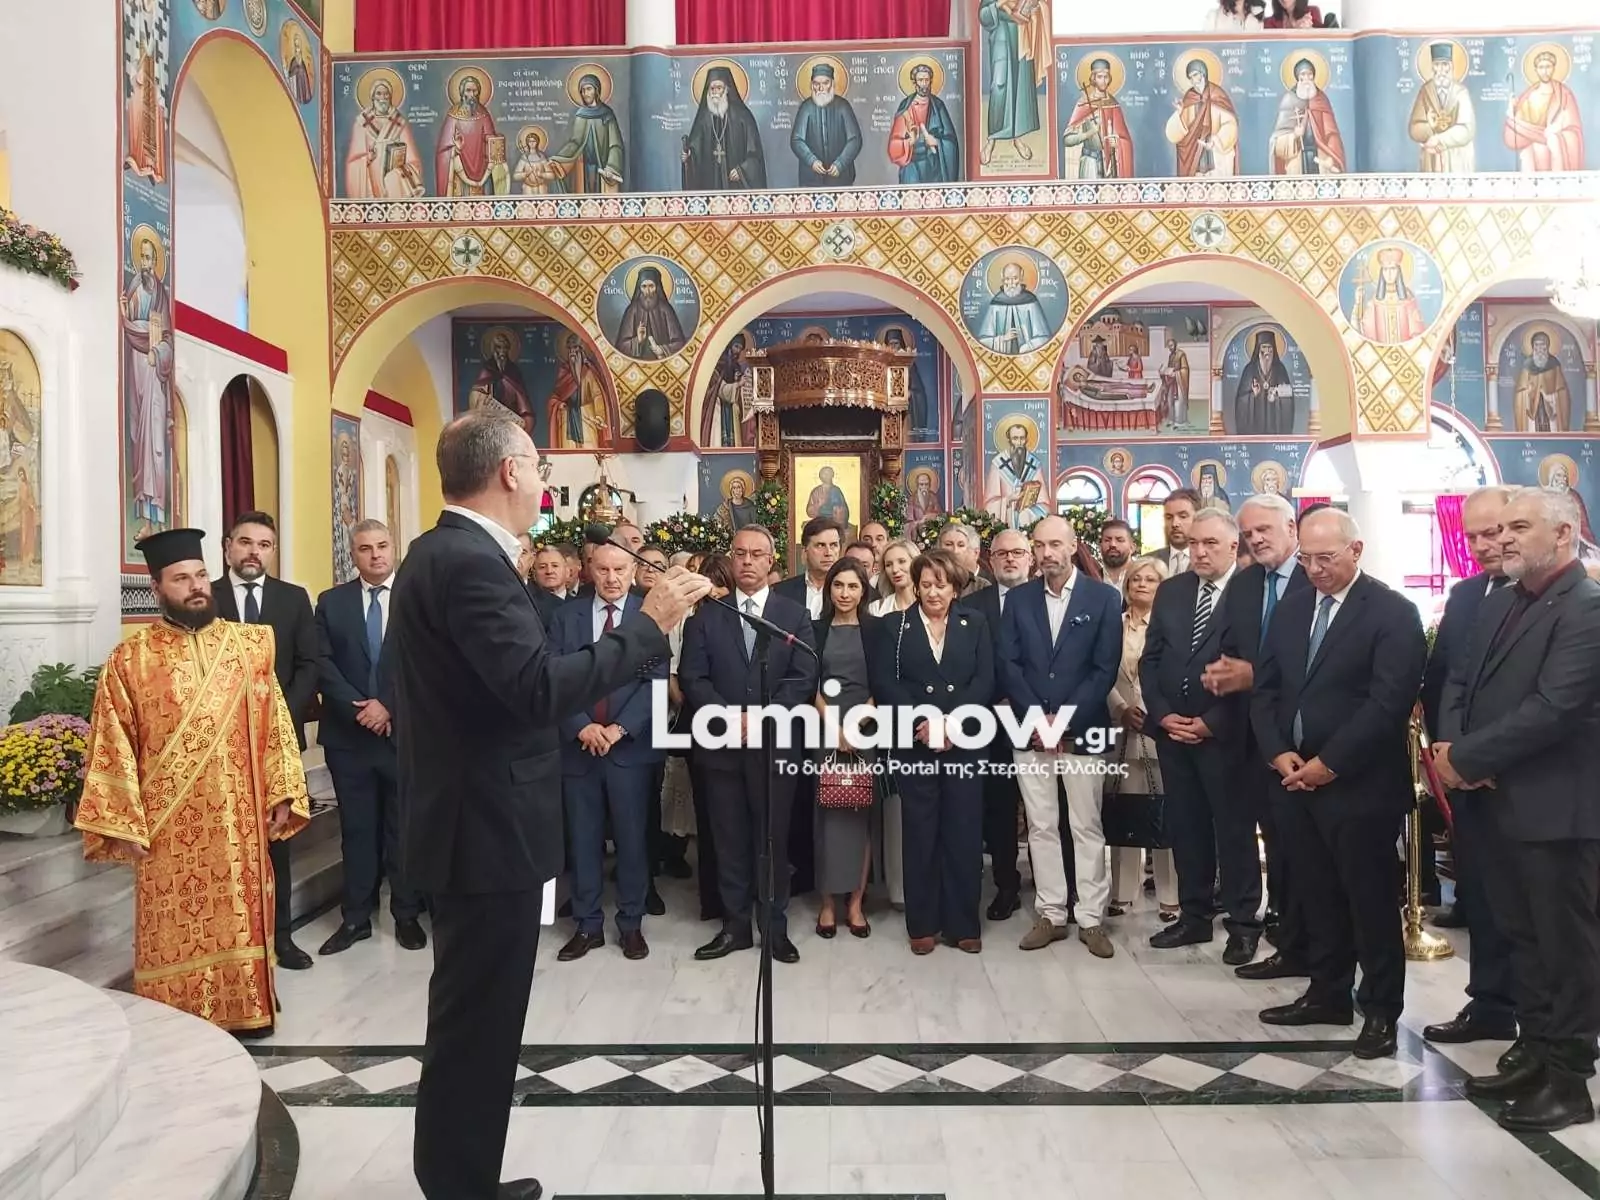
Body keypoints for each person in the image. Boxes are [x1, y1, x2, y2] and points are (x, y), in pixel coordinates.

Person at [394, 412, 708, 1200]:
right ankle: (460, 1189)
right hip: (482, 827)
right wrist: (649, 627)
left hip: (472, 818)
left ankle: (462, 1179)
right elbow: (536, 688)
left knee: (476, 1022)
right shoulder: (468, 564)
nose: (542, 480)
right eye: (536, 465)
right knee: (477, 1024)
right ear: (508, 471)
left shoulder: (442, 553)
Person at [74, 528, 309, 1033]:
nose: (196, 586)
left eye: (201, 575)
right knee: (171, 924)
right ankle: (173, 1018)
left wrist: (283, 789)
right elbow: (112, 743)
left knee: (240, 913)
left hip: (237, 820)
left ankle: (246, 1009)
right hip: (167, 829)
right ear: (157, 587)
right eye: (181, 579)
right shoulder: (130, 660)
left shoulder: (250, 646)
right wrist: (123, 821)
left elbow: (275, 723)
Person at [1436, 487, 1600, 1131]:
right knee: (1520, 938)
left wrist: (1467, 757)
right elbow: (1461, 679)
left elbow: (1555, 708)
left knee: (1564, 947)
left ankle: (1570, 1078)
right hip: (1494, 801)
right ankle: (1534, 1051)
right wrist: (1452, 750)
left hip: (1555, 808)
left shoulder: (1586, 607)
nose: (1502, 538)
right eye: (1499, 527)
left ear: (1562, 534)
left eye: (1519, 527)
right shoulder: (1502, 599)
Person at [1250, 509, 1426, 1059]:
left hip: (1359, 785)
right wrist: (1278, 751)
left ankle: (1380, 1010)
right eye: (1306, 558)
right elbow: (1267, 689)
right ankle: (1327, 993)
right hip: (1294, 779)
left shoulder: (1392, 613)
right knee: (1315, 892)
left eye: (1326, 558)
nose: (1315, 569)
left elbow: (1388, 702)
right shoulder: (1293, 605)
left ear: (1356, 550)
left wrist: (1330, 762)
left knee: (1369, 901)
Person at [679, 524, 817, 963]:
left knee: (772, 839)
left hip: (774, 747)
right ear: (731, 558)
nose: (748, 561)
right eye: (740, 553)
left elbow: (803, 677)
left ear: (771, 560)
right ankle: (735, 927)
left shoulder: (792, 615)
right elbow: (693, 677)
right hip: (721, 747)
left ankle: (775, 929)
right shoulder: (707, 616)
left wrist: (761, 717)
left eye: (757, 554)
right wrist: (727, 716)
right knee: (729, 840)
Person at [1418, 486, 1519, 1047]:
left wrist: (1481, 756)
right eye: (1472, 536)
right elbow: (1444, 679)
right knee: (1480, 893)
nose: (1482, 545)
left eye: (1494, 532)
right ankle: (1490, 1005)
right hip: (1465, 774)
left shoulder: (1557, 598)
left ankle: (1553, 1028)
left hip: (1526, 777)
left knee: (1538, 908)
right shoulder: (1465, 596)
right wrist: (1451, 753)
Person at [1140, 508, 1260, 962]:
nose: (1199, 551)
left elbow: (1257, 668)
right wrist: (1164, 714)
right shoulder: (1172, 590)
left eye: (1210, 543)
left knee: (1233, 831)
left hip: (1226, 735)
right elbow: (1151, 660)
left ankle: (1243, 924)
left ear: (1233, 545)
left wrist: (1213, 721)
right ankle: (1194, 916)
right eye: (1193, 543)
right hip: (1173, 733)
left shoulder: (1251, 591)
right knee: (1186, 828)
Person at [1000, 515, 1123, 958]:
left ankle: (1090, 918)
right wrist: (1039, 720)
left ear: (1073, 546)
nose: (1046, 553)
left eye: (1055, 544)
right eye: (1039, 545)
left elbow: (1104, 668)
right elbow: (1008, 664)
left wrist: (1063, 720)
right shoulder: (1018, 599)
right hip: (1030, 730)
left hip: (1083, 728)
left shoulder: (1104, 598)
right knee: (1041, 824)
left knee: (1085, 824)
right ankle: (1051, 913)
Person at [1204, 493, 1312, 981]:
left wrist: (1254, 675)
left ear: (1292, 526)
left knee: (1294, 847)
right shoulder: (1247, 583)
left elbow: (1323, 660)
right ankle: (1258, 929)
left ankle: (1300, 941)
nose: (1255, 540)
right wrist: (1223, 674)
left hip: (1302, 741)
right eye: (1248, 534)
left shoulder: (1315, 578)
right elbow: (1228, 645)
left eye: (1264, 529)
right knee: (1242, 834)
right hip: (1245, 732)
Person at [210, 510, 319, 971]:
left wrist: (276, 718)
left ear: (272, 551)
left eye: (264, 545)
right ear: (227, 547)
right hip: (219, 744)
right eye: (246, 542)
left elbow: (309, 664)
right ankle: (228, 941)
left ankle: (282, 938)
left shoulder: (293, 599)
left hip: (279, 742)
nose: (254, 552)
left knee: (278, 840)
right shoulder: (205, 597)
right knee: (224, 844)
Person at [550, 542, 669, 962]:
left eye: (619, 569)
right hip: (579, 748)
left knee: (632, 841)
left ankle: (631, 923)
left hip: (629, 749)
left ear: (633, 571)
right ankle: (587, 925)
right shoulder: (566, 618)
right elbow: (554, 677)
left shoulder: (648, 617)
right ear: (588, 571)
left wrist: (618, 729)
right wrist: (582, 726)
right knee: (583, 841)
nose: (612, 578)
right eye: (603, 569)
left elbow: (656, 682)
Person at [873, 548, 995, 953]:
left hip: (964, 743)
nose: (932, 592)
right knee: (920, 833)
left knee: (964, 831)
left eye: (940, 585)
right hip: (917, 743)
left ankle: (963, 925)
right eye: (925, 585)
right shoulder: (894, 626)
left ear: (954, 588)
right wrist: (925, 723)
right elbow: (886, 683)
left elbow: (984, 679)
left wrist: (953, 724)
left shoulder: (975, 623)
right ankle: (922, 924)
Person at [314, 519, 426, 957]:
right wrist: (361, 709)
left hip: (404, 734)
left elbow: (427, 662)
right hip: (350, 737)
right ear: (353, 555)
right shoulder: (332, 602)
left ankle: (406, 914)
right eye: (365, 548)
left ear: (393, 548)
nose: (376, 555)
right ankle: (356, 918)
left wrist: (388, 706)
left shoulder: (417, 599)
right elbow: (321, 661)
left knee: (403, 829)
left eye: (382, 546)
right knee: (357, 831)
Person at [962, 529, 1032, 921]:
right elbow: (968, 661)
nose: (1010, 559)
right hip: (989, 720)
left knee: (1047, 810)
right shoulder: (973, 604)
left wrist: (1023, 702)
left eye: (1017, 552)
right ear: (990, 559)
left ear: (1030, 558)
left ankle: (1057, 886)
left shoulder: (1046, 598)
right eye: (1002, 553)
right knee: (1000, 809)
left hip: (1038, 719)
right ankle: (1006, 885)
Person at [1105, 557, 1179, 921]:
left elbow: (1175, 674)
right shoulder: (1111, 626)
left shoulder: (1172, 626)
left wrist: (1153, 711)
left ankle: (1171, 896)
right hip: (1118, 727)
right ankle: (1122, 893)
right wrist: (1120, 708)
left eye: (1151, 579)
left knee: (1163, 812)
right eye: (1136, 578)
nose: (1142, 584)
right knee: (1125, 807)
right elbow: (1101, 672)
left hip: (1159, 725)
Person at [811, 558, 879, 938]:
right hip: (825, 730)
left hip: (864, 731)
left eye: (853, 586)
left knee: (859, 814)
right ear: (829, 589)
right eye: (838, 585)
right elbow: (810, 684)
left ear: (863, 591)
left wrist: (855, 727)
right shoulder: (815, 629)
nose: (845, 593)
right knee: (825, 815)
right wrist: (835, 728)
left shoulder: (876, 629)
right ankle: (827, 903)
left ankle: (855, 903)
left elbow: (882, 684)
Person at [682, 66, 768, 190]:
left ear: (727, 89)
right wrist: (689, 156)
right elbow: (695, 150)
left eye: (719, 88)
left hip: (736, 188)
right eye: (712, 88)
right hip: (710, 186)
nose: (715, 92)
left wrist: (742, 171)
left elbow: (755, 155)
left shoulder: (743, 117)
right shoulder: (703, 119)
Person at [1503, 49, 1585, 173]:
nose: (1545, 71)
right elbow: (1521, 124)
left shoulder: (1563, 94)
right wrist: (1512, 110)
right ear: (1536, 70)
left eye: (1548, 67)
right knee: (1528, 152)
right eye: (1541, 67)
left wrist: (1558, 129)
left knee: (1551, 142)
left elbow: (1573, 126)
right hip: (1535, 144)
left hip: (1554, 141)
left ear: (1554, 68)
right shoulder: (1530, 95)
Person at [549, 73, 626, 193]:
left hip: (603, 165)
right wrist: (559, 158)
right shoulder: (580, 115)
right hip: (583, 167)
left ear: (596, 90)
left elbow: (615, 144)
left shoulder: (607, 114)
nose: (585, 93)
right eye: (583, 90)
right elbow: (575, 142)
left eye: (589, 89)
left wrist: (612, 166)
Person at [1271, 56, 1347, 175]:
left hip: (1320, 156)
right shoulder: (1289, 100)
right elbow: (1276, 142)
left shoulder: (1321, 99)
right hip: (1296, 158)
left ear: (1314, 76)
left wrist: (1332, 158)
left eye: (1309, 74)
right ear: (1298, 77)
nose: (1306, 78)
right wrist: (1294, 136)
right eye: (1303, 74)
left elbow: (1331, 133)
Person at [791, 62, 862, 187]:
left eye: (825, 83)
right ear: (811, 85)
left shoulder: (843, 106)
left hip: (841, 178)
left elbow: (855, 139)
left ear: (832, 84)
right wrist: (811, 160)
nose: (820, 88)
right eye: (816, 84)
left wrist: (840, 163)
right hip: (811, 179)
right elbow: (796, 140)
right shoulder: (806, 108)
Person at [888, 61, 960, 184]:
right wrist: (909, 142)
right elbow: (893, 145)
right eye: (920, 80)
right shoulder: (906, 107)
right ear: (914, 83)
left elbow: (951, 141)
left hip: (933, 167)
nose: (924, 84)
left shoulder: (938, 106)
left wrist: (936, 142)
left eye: (927, 80)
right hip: (911, 166)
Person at [1409, 43, 1476, 173]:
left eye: (1445, 65)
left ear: (1451, 67)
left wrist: (1440, 139)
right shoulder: (1426, 91)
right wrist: (1430, 127)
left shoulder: (1461, 93)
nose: (1441, 70)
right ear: (1432, 67)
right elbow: (1414, 129)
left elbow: (1467, 129)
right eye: (1437, 65)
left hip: (1457, 158)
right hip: (1431, 159)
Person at [1166, 58, 1239, 177]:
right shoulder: (1190, 98)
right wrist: (1179, 113)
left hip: (1215, 152)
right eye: (1190, 77)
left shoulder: (1217, 95)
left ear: (1203, 74)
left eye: (1195, 75)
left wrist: (1215, 141)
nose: (1193, 80)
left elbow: (1230, 124)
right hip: (1194, 151)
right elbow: (1178, 133)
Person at [1063, 58, 1134, 180]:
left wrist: (1117, 142)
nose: (1103, 81)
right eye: (1100, 77)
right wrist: (1089, 133)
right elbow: (1067, 139)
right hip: (1090, 163)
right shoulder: (1084, 104)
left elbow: (1125, 139)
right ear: (1093, 79)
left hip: (1110, 166)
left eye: (1106, 77)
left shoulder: (1113, 104)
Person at [436, 72, 500, 197]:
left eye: (475, 91)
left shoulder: (483, 113)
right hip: (459, 171)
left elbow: (491, 139)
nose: (472, 95)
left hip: (482, 168)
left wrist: (493, 144)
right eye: (468, 90)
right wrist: (455, 148)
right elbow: (444, 149)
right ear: (462, 92)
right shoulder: (453, 114)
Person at [977, 262, 1052, 355]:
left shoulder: (1031, 301)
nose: (1011, 283)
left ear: (1021, 277)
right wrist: (1003, 338)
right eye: (1007, 279)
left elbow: (1044, 337)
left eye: (1015, 278)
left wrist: (1028, 347)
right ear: (1002, 278)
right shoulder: (996, 303)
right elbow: (983, 341)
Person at [1356, 248, 1428, 344]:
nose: (1389, 274)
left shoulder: (1408, 298)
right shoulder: (1375, 300)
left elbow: (1416, 329)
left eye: (1393, 269)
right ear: (1381, 272)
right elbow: (1366, 329)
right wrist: (1358, 303)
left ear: (1399, 271)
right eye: (1386, 269)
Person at [985, 421, 1049, 529]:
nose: (1019, 442)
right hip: (1006, 524)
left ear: (1026, 440)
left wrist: (1028, 511)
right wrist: (1008, 499)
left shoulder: (1034, 464)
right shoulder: (998, 464)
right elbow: (989, 504)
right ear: (1009, 440)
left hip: (1027, 525)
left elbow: (1045, 505)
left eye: (1022, 438)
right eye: (1015, 438)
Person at [776, 516, 842, 619]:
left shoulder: (848, 593)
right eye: (820, 545)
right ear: (804, 552)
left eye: (833, 545)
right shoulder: (781, 592)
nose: (828, 553)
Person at [615, 266, 687, 360]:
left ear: (657, 287)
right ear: (639, 288)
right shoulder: (632, 310)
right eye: (644, 286)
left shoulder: (666, 309)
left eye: (651, 286)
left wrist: (662, 350)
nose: (648, 291)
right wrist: (638, 340)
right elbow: (620, 347)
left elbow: (680, 343)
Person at [1234, 331, 1296, 434]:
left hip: (1274, 424)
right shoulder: (1250, 369)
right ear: (1258, 349)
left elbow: (1289, 397)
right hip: (1255, 424)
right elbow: (1241, 400)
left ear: (1274, 349)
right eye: (1264, 347)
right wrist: (1253, 394)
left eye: (1269, 348)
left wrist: (1277, 394)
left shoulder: (1280, 369)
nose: (1267, 352)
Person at [1514, 331, 1572, 432]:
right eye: (1537, 345)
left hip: (1551, 405)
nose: (1539, 348)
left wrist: (1552, 397)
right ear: (1533, 347)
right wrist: (1528, 393)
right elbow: (1521, 390)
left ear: (1547, 346)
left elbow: (1561, 389)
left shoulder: (1554, 363)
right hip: (1532, 407)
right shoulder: (1527, 364)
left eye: (1542, 345)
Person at [1152, 488, 1200, 574]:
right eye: (1169, 517)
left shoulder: (1208, 560)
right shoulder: (1150, 560)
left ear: (1197, 518)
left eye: (1183, 516)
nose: (1174, 524)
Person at [870, 539, 918, 617]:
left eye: (901, 561)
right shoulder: (876, 609)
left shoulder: (930, 604)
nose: (895, 570)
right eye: (888, 565)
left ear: (915, 562)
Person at [1099, 519, 1136, 591]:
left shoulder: (1144, 579)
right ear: (1100, 547)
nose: (1113, 544)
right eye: (1107, 540)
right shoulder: (1092, 578)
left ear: (1132, 547)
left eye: (1120, 540)